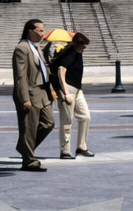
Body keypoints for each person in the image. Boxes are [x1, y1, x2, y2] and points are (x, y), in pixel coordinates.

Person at [12, 18, 55, 172]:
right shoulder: (22, 48)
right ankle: (28, 161)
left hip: (43, 92)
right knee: (29, 128)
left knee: (48, 123)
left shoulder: (36, 47)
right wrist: (24, 98)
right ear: (30, 31)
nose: (42, 33)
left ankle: (24, 147)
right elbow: (20, 76)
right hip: (30, 93)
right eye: (40, 30)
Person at [51, 32, 94, 159]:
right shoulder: (67, 55)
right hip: (68, 89)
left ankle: (82, 147)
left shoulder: (78, 53)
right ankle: (65, 150)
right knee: (67, 121)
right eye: (83, 46)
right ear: (76, 44)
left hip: (77, 89)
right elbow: (61, 74)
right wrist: (66, 93)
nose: (84, 49)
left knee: (85, 116)